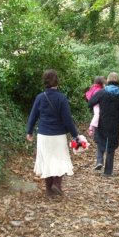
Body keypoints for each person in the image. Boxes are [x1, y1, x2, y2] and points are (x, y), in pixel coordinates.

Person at [26, 69, 79, 197]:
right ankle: (57, 183)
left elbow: (33, 116)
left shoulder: (40, 97)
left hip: (43, 135)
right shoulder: (61, 98)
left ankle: (49, 191)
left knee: (47, 160)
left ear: (44, 82)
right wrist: (75, 135)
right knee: (60, 159)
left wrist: (29, 132)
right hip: (58, 135)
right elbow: (67, 119)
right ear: (57, 81)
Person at [88, 72, 119, 176]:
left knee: (100, 141)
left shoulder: (102, 92)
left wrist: (95, 109)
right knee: (111, 147)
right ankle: (108, 172)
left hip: (102, 122)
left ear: (108, 80)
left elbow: (90, 102)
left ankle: (99, 161)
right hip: (114, 124)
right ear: (118, 80)